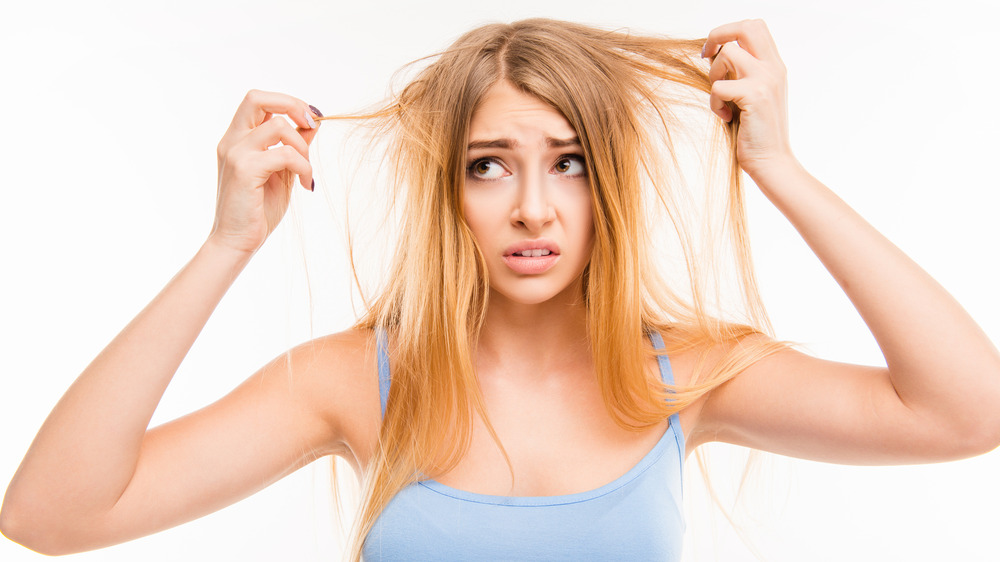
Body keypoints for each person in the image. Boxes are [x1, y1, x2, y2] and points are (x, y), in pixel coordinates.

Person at [2, 17, 999, 561]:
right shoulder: (350, 381)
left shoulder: (683, 375)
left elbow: (965, 411)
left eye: (568, 162)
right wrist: (228, 243)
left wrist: (777, 166)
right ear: (450, 190)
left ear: (608, 183)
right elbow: (49, 516)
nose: (531, 207)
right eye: (489, 164)